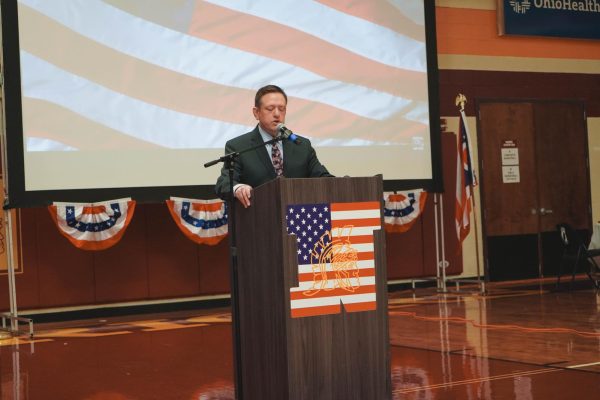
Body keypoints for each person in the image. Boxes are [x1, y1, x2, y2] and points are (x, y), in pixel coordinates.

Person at [215, 85, 332, 207]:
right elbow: (224, 183)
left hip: (297, 218)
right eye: (270, 109)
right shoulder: (238, 146)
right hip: (258, 218)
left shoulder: (301, 145)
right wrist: (238, 188)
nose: (277, 114)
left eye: (281, 109)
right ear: (256, 113)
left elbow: (322, 177)